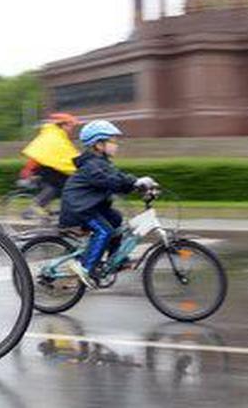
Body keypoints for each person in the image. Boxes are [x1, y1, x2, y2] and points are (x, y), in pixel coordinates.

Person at [58, 120, 157, 288]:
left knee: (116, 219)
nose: (116, 144)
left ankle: (115, 259)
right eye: (112, 141)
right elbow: (109, 180)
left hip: (91, 206)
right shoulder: (92, 165)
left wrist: (138, 185)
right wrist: (136, 182)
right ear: (98, 144)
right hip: (79, 209)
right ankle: (85, 268)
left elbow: (118, 179)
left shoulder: (101, 163)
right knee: (104, 231)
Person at [17, 113, 82, 221]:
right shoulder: (53, 136)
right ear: (62, 125)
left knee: (66, 185)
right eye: (70, 125)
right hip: (42, 168)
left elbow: (69, 153)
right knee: (56, 185)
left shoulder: (57, 135)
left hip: (47, 167)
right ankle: (35, 207)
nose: (71, 129)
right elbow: (65, 154)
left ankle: (56, 213)